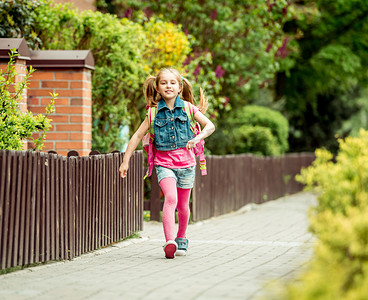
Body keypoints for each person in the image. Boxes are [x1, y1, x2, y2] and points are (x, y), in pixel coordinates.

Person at [119, 67, 215, 259]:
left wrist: (198, 138)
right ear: (157, 87)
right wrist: (125, 160)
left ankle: (181, 238)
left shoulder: (188, 108)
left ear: (179, 87)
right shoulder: (153, 113)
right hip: (164, 164)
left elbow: (210, 126)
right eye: (163, 83)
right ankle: (169, 241)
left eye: (172, 83)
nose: (168, 86)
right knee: (171, 198)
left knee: (183, 206)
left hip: (187, 165)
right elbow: (137, 135)